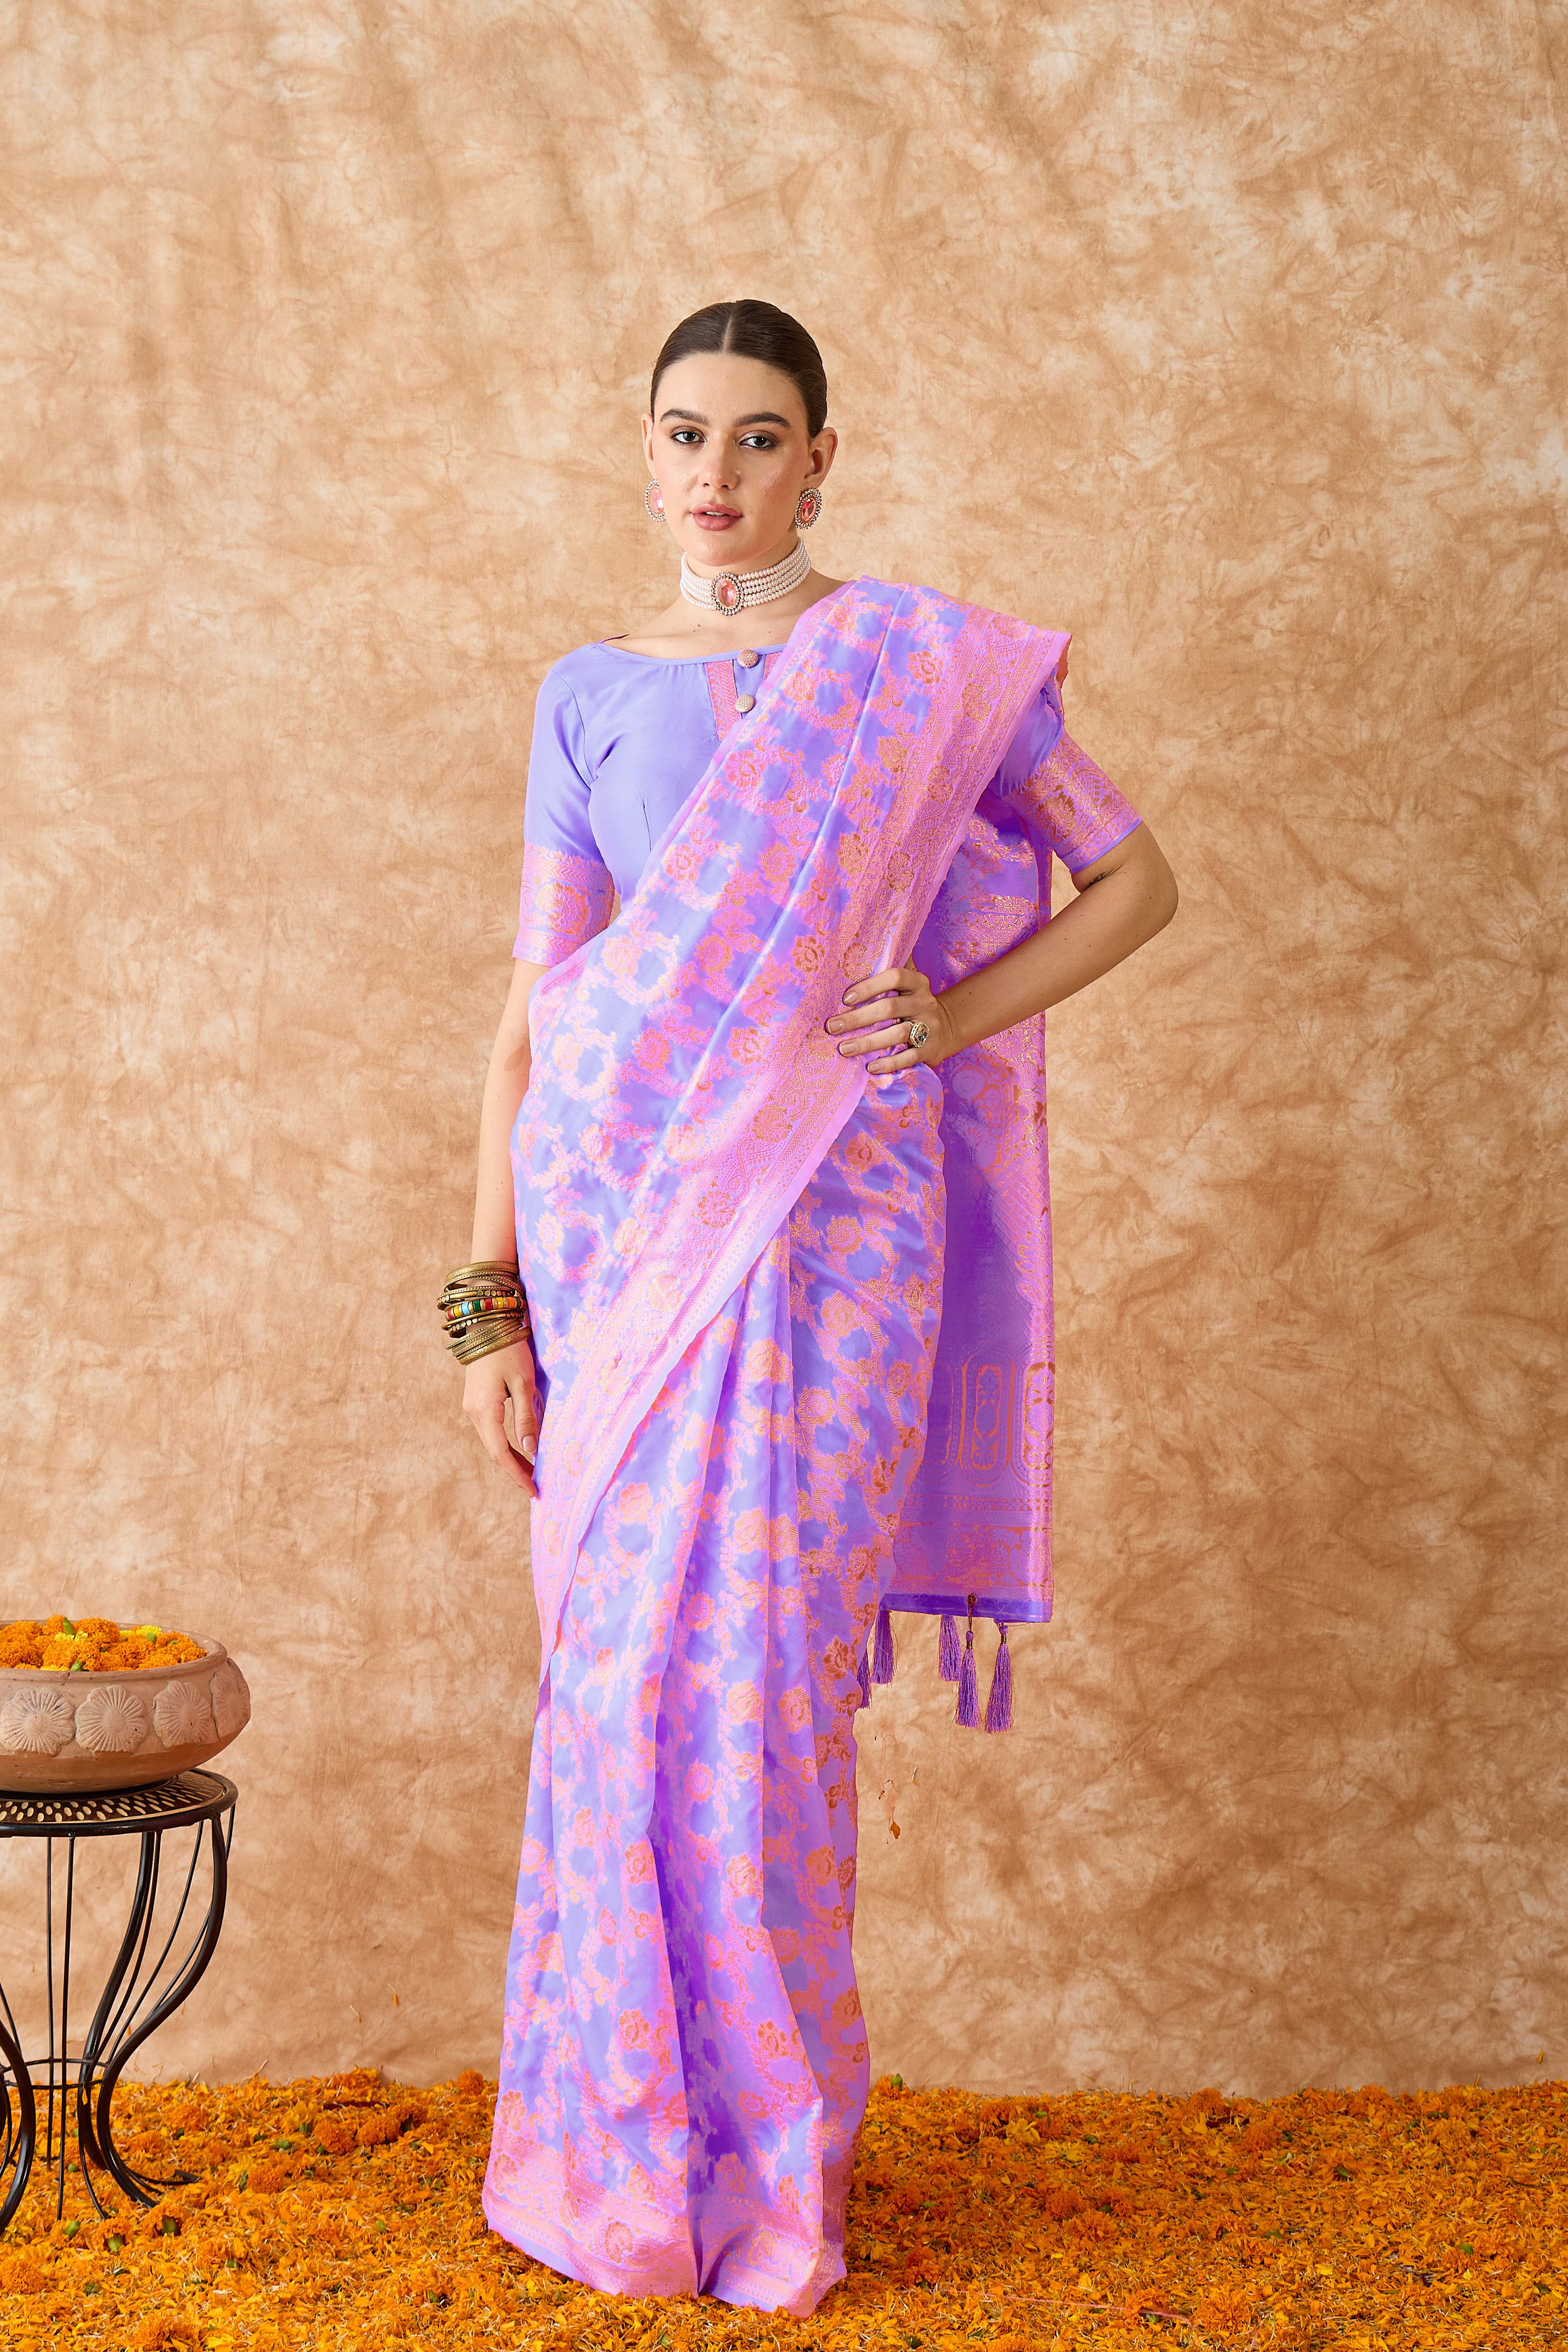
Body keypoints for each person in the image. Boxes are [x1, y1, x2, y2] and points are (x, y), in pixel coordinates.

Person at [449, 300, 1178, 2315]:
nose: (716, 474)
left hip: (843, 1217)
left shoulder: (916, 672)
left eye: (758, 438)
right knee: (614, 1700)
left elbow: (1134, 881)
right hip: (614, 1243)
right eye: (684, 434)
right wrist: (488, 1305)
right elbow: (533, 1023)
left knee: (763, 1696)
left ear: (821, 459)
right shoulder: (588, 694)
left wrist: (950, 1010)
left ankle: (776, 2178)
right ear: (646, 452)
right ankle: (610, 2162)